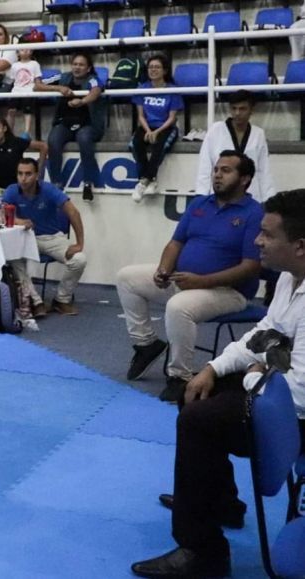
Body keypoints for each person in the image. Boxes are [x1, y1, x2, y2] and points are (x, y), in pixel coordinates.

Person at [130, 188, 305, 579]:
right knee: (196, 391)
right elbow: (263, 336)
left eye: (268, 235)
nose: (258, 240)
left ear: (300, 246)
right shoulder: (288, 280)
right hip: (279, 386)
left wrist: (255, 378)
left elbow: (301, 395)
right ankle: (218, 502)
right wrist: (214, 368)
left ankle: (203, 551)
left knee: (199, 421)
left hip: (297, 414)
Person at [116, 151, 263, 403]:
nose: (217, 175)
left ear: (244, 179)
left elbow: (251, 267)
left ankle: (179, 377)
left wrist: (201, 281)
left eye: (226, 170)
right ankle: (146, 344)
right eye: (216, 169)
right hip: (185, 281)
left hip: (229, 292)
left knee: (178, 306)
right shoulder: (199, 205)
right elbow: (175, 243)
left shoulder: (254, 213)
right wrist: (163, 270)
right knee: (126, 277)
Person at [4, 157, 86, 317]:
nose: (23, 178)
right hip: (25, 239)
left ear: (37, 175)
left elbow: (73, 212)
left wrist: (79, 243)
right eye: (20, 174)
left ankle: (61, 300)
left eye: (28, 174)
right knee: (12, 256)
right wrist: (20, 221)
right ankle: (36, 302)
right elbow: (1, 214)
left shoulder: (48, 190)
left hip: (52, 238)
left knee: (79, 260)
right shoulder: (11, 190)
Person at [35, 52, 106, 202]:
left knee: (84, 139)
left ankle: (87, 183)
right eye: (75, 64)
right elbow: (37, 86)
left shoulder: (93, 79)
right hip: (65, 123)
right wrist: (58, 88)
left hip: (88, 124)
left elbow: (95, 91)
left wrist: (82, 101)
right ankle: (56, 184)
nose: (77, 67)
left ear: (88, 68)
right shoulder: (63, 77)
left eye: (81, 65)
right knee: (53, 140)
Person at [196, 90, 276, 202]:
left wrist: (269, 200)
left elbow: (264, 170)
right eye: (234, 108)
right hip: (221, 194)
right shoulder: (216, 130)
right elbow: (205, 165)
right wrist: (201, 196)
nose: (237, 113)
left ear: (251, 110)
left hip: (250, 194)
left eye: (242, 109)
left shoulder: (258, 134)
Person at [131, 54, 183, 203]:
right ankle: (150, 180)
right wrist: (148, 130)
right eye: (151, 67)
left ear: (165, 70)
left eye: (157, 67)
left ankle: (143, 182)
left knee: (159, 146)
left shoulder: (172, 90)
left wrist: (156, 132)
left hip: (165, 126)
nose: (153, 70)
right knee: (137, 143)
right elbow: (140, 116)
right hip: (147, 126)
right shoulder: (142, 88)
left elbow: (172, 117)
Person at [0, 116, 47, 204]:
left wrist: (39, 168)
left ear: (4, 128)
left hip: (21, 189)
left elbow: (43, 146)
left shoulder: (16, 142)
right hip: (2, 191)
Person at [5, 44, 43, 138]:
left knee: (27, 111)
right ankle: (9, 132)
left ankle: (26, 132)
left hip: (29, 92)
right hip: (16, 92)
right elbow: (12, 79)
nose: (25, 51)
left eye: (27, 49)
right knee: (11, 111)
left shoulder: (35, 64)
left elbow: (38, 79)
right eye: (22, 49)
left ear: (31, 51)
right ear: (17, 53)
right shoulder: (14, 65)